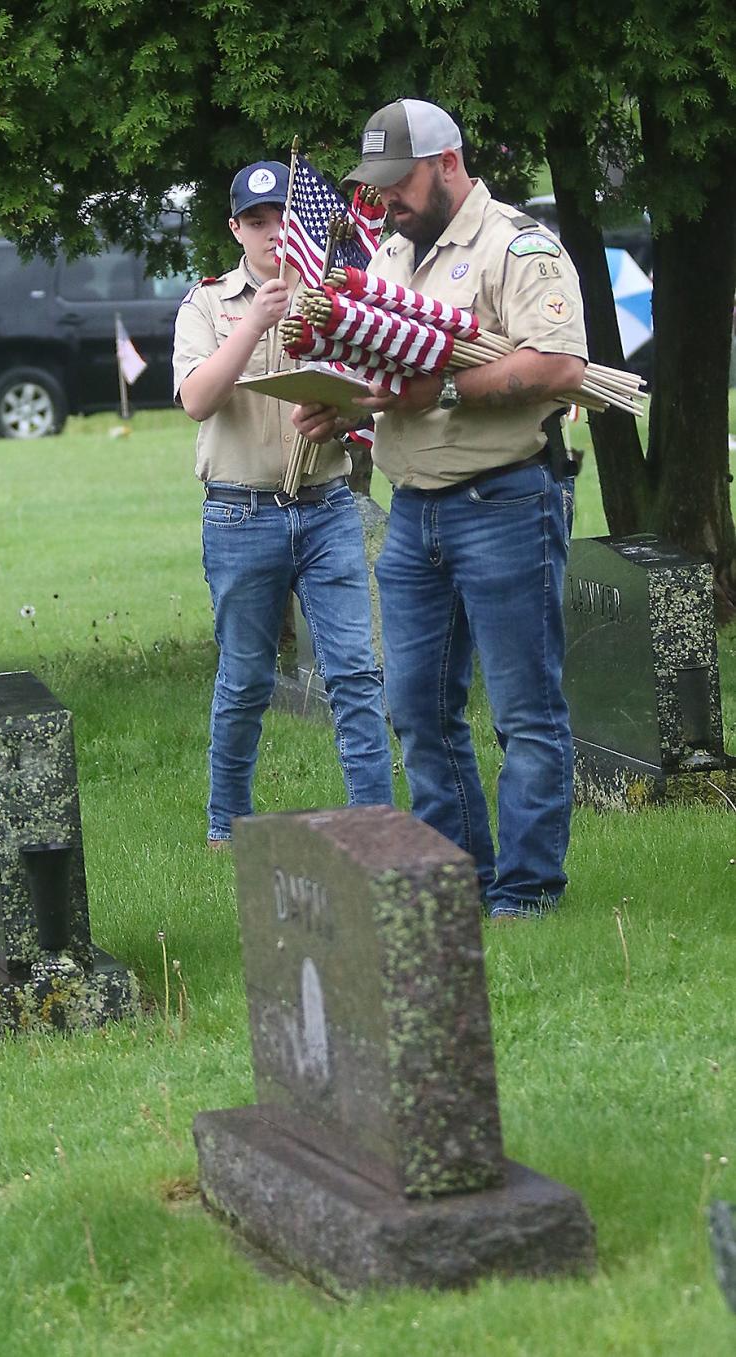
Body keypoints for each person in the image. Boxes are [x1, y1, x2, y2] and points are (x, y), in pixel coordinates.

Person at [294, 98, 587, 918]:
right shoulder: (391, 251)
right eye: (377, 185)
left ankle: (527, 892)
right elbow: (393, 377)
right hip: (413, 507)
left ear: (448, 164)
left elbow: (561, 366)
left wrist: (443, 386)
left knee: (526, 710)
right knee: (417, 705)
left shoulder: (517, 245)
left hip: (504, 499)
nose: (386, 200)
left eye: (399, 182)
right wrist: (347, 405)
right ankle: (462, 878)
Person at [173, 160, 394, 848]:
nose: (273, 237)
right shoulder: (208, 304)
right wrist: (255, 321)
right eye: (258, 223)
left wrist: (341, 415)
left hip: (327, 504)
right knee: (245, 677)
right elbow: (197, 400)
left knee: (356, 672)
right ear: (235, 228)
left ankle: (376, 823)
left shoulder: (335, 298)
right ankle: (226, 825)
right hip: (242, 513)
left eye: (283, 222)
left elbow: (376, 393)